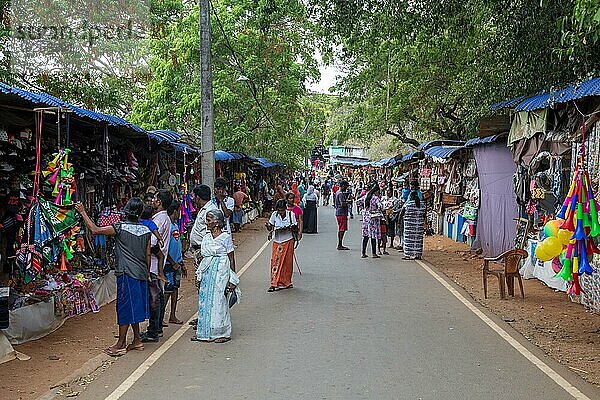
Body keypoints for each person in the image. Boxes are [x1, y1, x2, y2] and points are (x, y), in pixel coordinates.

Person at [75, 198, 151, 356]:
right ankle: (137, 340)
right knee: (134, 306)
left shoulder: (120, 227)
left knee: (124, 307)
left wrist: (83, 212)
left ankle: (121, 344)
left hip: (126, 272)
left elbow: (95, 230)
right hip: (141, 272)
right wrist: (148, 273)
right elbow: (147, 253)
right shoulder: (145, 230)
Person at [192, 209, 239, 343]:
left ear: (217, 223)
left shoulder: (225, 237)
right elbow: (203, 256)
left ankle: (223, 333)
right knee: (204, 300)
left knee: (219, 301)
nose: (206, 222)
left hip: (221, 273)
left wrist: (232, 279)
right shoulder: (206, 237)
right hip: (207, 273)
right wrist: (199, 275)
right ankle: (203, 332)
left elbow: (231, 259)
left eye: (209, 220)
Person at [141, 189, 172, 343]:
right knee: (157, 295)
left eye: (154, 198)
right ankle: (156, 327)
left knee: (155, 298)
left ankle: (153, 330)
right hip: (156, 263)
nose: (152, 200)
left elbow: (152, 242)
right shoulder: (162, 218)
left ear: (159, 202)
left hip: (152, 264)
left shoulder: (159, 220)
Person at [266, 200, 298, 292]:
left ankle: (286, 282)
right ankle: (274, 283)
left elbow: (295, 226)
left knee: (287, 263)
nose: (280, 212)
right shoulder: (274, 215)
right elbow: (270, 227)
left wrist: (290, 227)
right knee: (275, 262)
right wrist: (268, 226)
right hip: (277, 241)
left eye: (282, 210)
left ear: (285, 208)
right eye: (279, 210)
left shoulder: (291, 215)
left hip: (288, 240)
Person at [163, 200, 186, 325]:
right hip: (169, 264)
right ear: (175, 211)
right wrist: (172, 262)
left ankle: (172, 315)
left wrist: (181, 262)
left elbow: (177, 246)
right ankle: (161, 316)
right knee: (168, 289)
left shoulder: (176, 225)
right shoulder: (168, 226)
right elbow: (164, 249)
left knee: (175, 288)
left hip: (177, 263)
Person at [401, 191, 426, 260]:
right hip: (419, 225)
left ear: (411, 197)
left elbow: (402, 213)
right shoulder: (422, 204)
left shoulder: (408, 204)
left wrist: (399, 222)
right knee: (418, 240)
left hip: (409, 226)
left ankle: (408, 255)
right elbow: (424, 214)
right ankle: (418, 255)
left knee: (408, 240)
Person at [361, 185, 383, 259]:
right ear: (376, 191)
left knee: (366, 236)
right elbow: (380, 206)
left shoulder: (366, 196)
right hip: (373, 218)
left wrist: (364, 209)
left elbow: (358, 202)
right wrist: (376, 210)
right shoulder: (376, 198)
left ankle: (363, 253)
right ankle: (374, 253)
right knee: (373, 236)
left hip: (366, 218)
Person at [334, 180, 350, 250]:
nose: (346, 187)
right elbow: (342, 204)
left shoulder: (338, 192)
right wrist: (348, 202)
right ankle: (340, 244)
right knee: (342, 229)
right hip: (341, 213)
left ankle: (340, 244)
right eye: (346, 186)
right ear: (343, 185)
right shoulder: (340, 194)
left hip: (339, 213)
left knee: (341, 228)